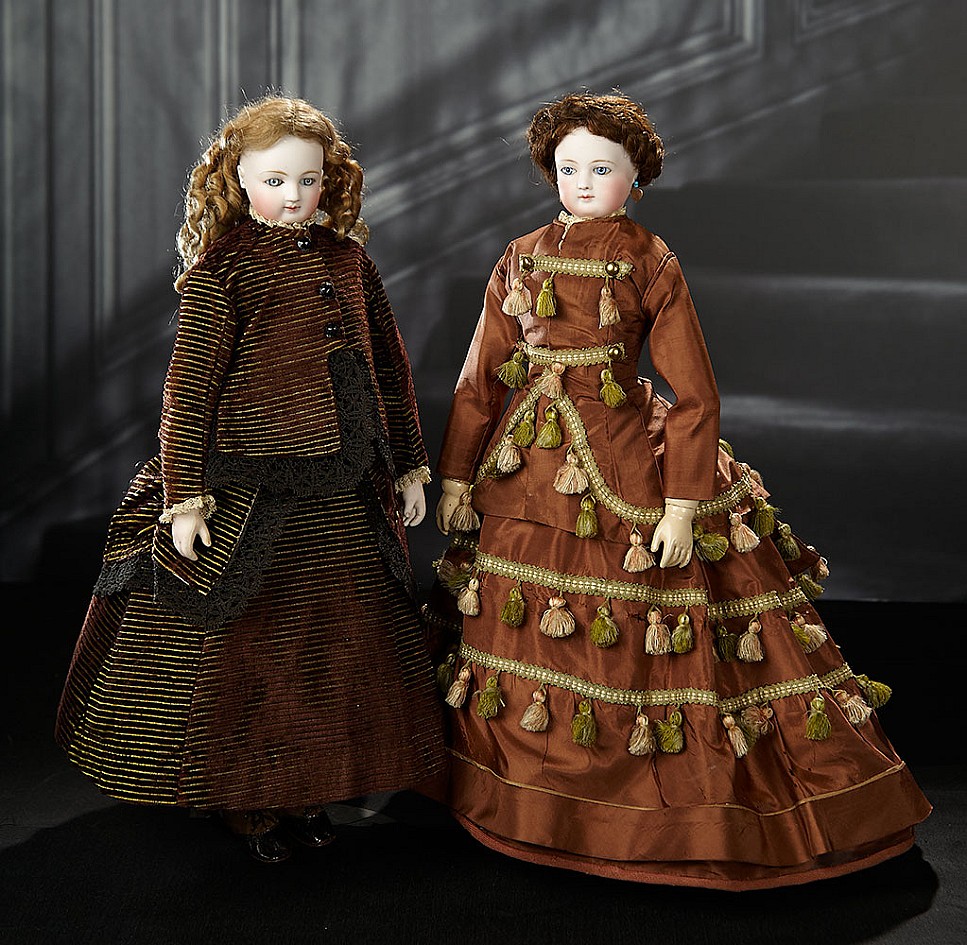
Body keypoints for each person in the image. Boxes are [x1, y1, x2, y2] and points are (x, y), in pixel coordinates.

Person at [431, 91, 930, 890]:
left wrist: (680, 503)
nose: (582, 181)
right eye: (567, 168)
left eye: (601, 168)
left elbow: (694, 393)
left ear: (636, 178)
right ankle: (530, 797)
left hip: (624, 456)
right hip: (528, 468)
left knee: (643, 624)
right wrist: (459, 473)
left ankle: (647, 811)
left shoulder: (649, 258)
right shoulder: (519, 255)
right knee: (522, 623)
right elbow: (477, 379)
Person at [56, 95, 444, 863]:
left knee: (335, 643)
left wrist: (407, 460)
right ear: (239, 178)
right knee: (251, 647)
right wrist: (183, 498)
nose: (293, 196)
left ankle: (308, 786)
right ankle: (246, 796)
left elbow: (389, 369)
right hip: (252, 492)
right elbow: (187, 391)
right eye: (274, 180)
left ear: (328, 180)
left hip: (344, 491)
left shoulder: (348, 260)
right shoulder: (223, 271)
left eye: (307, 180)